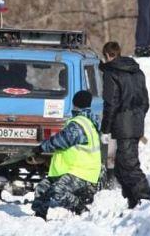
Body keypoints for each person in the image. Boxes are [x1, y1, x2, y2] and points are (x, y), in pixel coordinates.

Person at [31, 90, 101, 220]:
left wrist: (41, 147)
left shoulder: (79, 124)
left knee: (58, 191)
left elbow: (62, 140)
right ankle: (38, 218)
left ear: (75, 104)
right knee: (42, 188)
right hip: (70, 170)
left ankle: (81, 209)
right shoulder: (86, 120)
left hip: (82, 172)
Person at [100, 41, 150, 209]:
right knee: (121, 166)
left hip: (123, 125)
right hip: (135, 123)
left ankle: (145, 199)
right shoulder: (138, 72)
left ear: (107, 55)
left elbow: (111, 103)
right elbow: (145, 102)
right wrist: (137, 117)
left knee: (129, 164)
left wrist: (105, 129)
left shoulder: (111, 73)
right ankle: (133, 201)